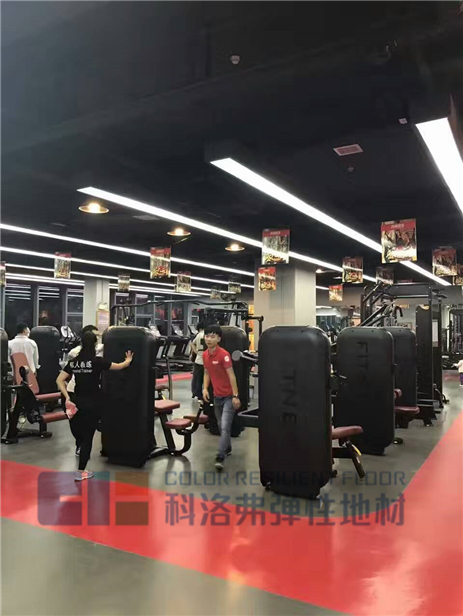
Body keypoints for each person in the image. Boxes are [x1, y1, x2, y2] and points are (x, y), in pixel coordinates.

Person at [56, 331, 133, 481]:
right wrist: (128, 359)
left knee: (80, 433)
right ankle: (81, 471)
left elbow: (59, 380)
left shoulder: (74, 362)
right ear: (94, 344)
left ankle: (81, 459)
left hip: (77, 401)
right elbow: (120, 366)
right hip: (93, 403)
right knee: (88, 437)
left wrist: (67, 397)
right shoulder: (97, 361)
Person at [202, 324, 240, 471]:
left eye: (212, 336)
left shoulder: (224, 355)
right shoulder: (205, 355)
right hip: (217, 396)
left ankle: (220, 455)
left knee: (224, 425)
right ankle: (227, 447)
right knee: (220, 425)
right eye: (207, 336)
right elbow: (207, 372)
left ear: (218, 339)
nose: (209, 339)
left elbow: (232, 375)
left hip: (229, 396)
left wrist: (235, 396)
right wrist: (205, 388)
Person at [67, 325, 104, 456]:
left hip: (90, 390)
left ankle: (83, 444)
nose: (97, 339)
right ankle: (80, 443)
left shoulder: (99, 351)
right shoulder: (75, 353)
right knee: (76, 422)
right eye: (95, 337)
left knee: (89, 420)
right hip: (74, 390)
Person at [190, 322, 205, 400]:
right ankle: (199, 394)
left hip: (198, 359)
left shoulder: (199, 335)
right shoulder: (205, 335)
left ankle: (195, 392)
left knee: (196, 378)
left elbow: (192, 343)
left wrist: (196, 351)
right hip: (204, 360)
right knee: (201, 378)